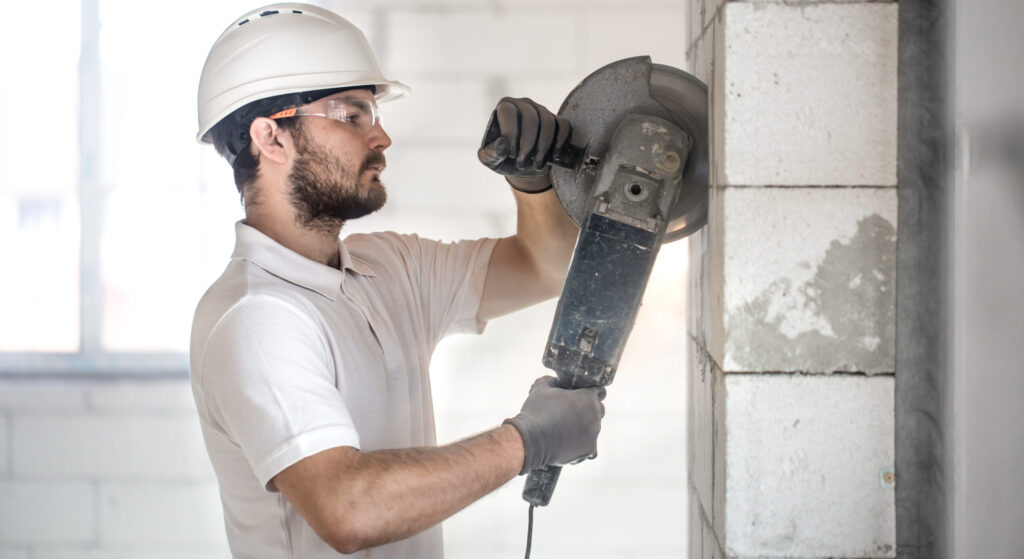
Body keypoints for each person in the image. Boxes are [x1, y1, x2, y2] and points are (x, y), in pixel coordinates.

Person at [189, 4, 605, 558]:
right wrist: (527, 441)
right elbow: (348, 510)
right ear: (272, 138)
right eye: (352, 115)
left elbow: (543, 267)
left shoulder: (390, 267)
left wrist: (533, 182)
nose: (381, 136)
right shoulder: (255, 318)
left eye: (375, 114)